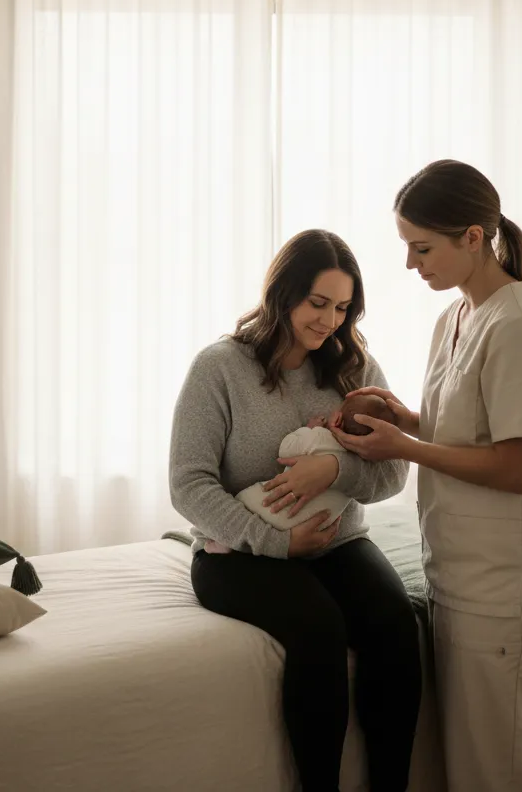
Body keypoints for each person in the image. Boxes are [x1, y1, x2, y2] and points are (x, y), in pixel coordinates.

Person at [331, 159, 522, 792]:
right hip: (459, 571)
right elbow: (466, 431)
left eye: (422, 248)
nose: (411, 265)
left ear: (472, 237)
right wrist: (402, 418)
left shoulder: (519, 325)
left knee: (499, 773)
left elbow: (517, 467)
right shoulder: (457, 316)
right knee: (469, 769)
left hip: (504, 583)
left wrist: (406, 447)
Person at [168, 229, 422, 792]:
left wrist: (333, 470)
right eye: (318, 303)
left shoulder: (357, 370)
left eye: (342, 308)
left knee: (395, 623)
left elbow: (393, 473)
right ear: (283, 294)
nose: (330, 321)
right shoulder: (219, 368)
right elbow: (188, 485)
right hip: (238, 554)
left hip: (339, 544)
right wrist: (279, 543)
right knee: (319, 627)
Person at [232, 392, 400, 533]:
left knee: (245, 500)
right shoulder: (368, 456)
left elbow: (285, 449)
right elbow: (393, 452)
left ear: (338, 419)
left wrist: (308, 430)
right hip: (320, 528)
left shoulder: (319, 437)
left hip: (272, 516)